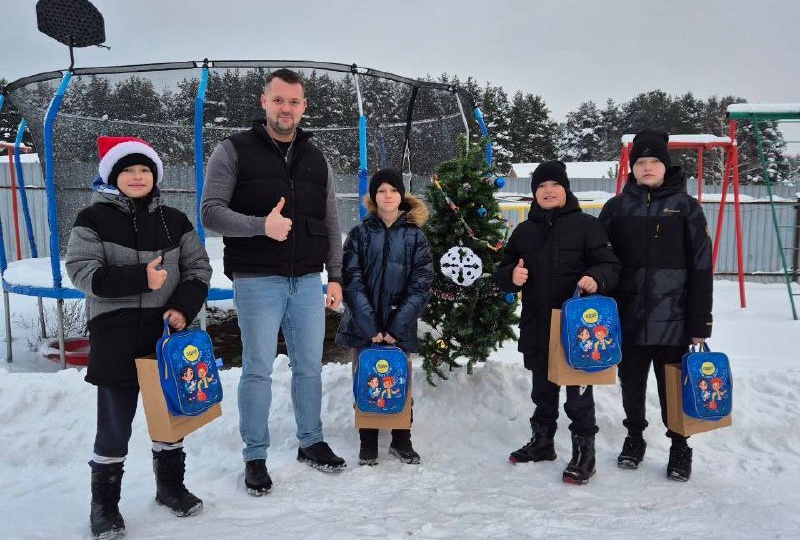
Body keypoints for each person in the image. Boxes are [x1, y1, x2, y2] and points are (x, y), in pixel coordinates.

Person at [201, 68, 346, 495]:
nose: (286, 109)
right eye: (278, 100)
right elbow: (210, 212)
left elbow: (332, 223)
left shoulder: (316, 158)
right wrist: (261, 226)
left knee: (309, 366)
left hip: (306, 279)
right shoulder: (233, 151)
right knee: (258, 368)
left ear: (303, 107)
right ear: (264, 102)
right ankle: (255, 455)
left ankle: (311, 441)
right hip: (257, 278)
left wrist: (334, 275)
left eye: (294, 102)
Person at [66, 136, 212, 539]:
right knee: (114, 424)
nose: (136, 176)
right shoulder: (91, 219)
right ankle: (105, 506)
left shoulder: (175, 220)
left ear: (155, 175)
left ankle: (170, 487)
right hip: (115, 336)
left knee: (171, 415)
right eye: (128, 170)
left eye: (144, 169)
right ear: (112, 175)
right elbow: (81, 273)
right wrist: (141, 279)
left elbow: (199, 269)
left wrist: (183, 307)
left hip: (167, 337)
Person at [495, 160, 620, 485]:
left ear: (565, 189)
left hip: (577, 329)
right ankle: (543, 442)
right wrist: (512, 275)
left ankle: (584, 453)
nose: (547, 191)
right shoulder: (524, 230)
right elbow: (504, 271)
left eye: (554, 185)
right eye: (540, 186)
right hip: (538, 324)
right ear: (534, 193)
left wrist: (596, 277)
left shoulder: (586, 226)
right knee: (542, 391)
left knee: (578, 395)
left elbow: (610, 264)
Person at [598, 128, 713, 482]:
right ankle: (634, 438)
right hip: (628, 317)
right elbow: (600, 258)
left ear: (665, 165)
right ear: (632, 167)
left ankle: (680, 445)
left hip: (674, 319)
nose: (647, 167)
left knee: (673, 387)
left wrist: (699, 324)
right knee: (631, 384)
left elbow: (701, 268)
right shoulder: (616, 208)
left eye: (654, 161)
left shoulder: (686, 208)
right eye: (641, 161)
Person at [335, 169, 433, 466]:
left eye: (393, 190)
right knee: (366, 379)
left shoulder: (416, 237)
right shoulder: (359, 234)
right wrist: (371, 326)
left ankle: (402, 440)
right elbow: (351, 280)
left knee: (398, 381)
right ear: (373, 197)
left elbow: (421, 284)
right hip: (363, 327)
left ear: (402, 195)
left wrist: (395, 325)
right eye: (381, 191)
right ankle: (368, 441)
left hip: (398, 328)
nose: (387, 195)